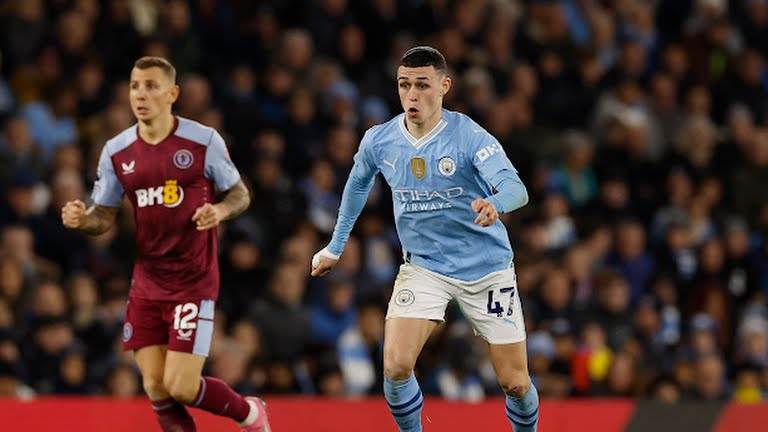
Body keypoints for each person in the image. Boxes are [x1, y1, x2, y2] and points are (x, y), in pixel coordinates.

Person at [311, 47, 537, 431]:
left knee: (514, 381)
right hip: (424, 268)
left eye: (422, 85)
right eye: (404, 85)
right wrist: (335, 246)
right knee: (396, 366)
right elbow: (357, 185)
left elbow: (516, 189)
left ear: (444, 86)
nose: (412, 95)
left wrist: (495, 204)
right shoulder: (380, 140)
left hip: (486, 269)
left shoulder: (468, 136)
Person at [61, 56, 270, 432]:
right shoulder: (116, 151)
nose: (140, 94)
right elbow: (103, 217)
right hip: (147, 282)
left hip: (192, 280)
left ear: (172, 94)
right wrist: (82, 219)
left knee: (182, 386)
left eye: (151, 86)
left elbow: (240, 194)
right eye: (134, 86)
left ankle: (249, 413)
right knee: (155, 386)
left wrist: (220, 211)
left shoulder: (203, 140)